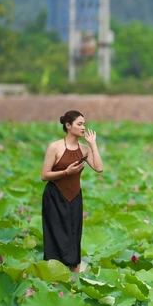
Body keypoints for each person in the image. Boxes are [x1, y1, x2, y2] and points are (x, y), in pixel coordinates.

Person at [40, 111, 104, 272]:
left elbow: (99, 168)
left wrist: (93, 144)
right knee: (55, 236)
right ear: (68, 126)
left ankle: (74, 282)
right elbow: (44, 175)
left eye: (84, 124)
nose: (83, 128)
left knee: (74, 235)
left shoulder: (84, 149)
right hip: (54, 197)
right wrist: (66, 173)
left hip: (74, 197)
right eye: (79, 124)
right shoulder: (54, 147)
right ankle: (54, 278)